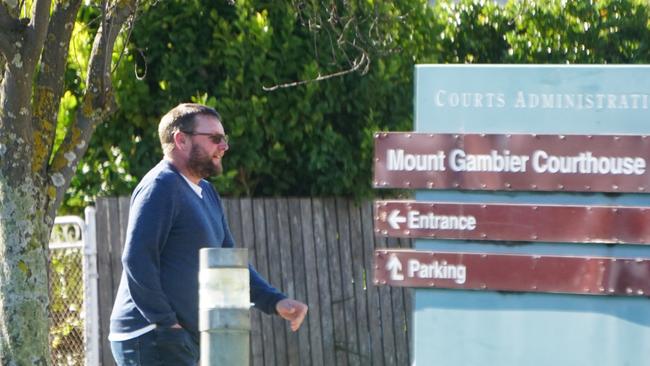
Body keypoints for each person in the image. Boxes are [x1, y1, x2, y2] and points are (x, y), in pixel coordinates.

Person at [108, 103, 308, 365]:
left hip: (177, 337)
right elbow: (136, 259)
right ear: (181, 140)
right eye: (215, 138)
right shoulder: (160, 186)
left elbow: (229, 266)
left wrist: (275, 301)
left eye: (224, 139)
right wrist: (167, 324)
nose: (223, 147)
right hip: (150, 336)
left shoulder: (207, 193)